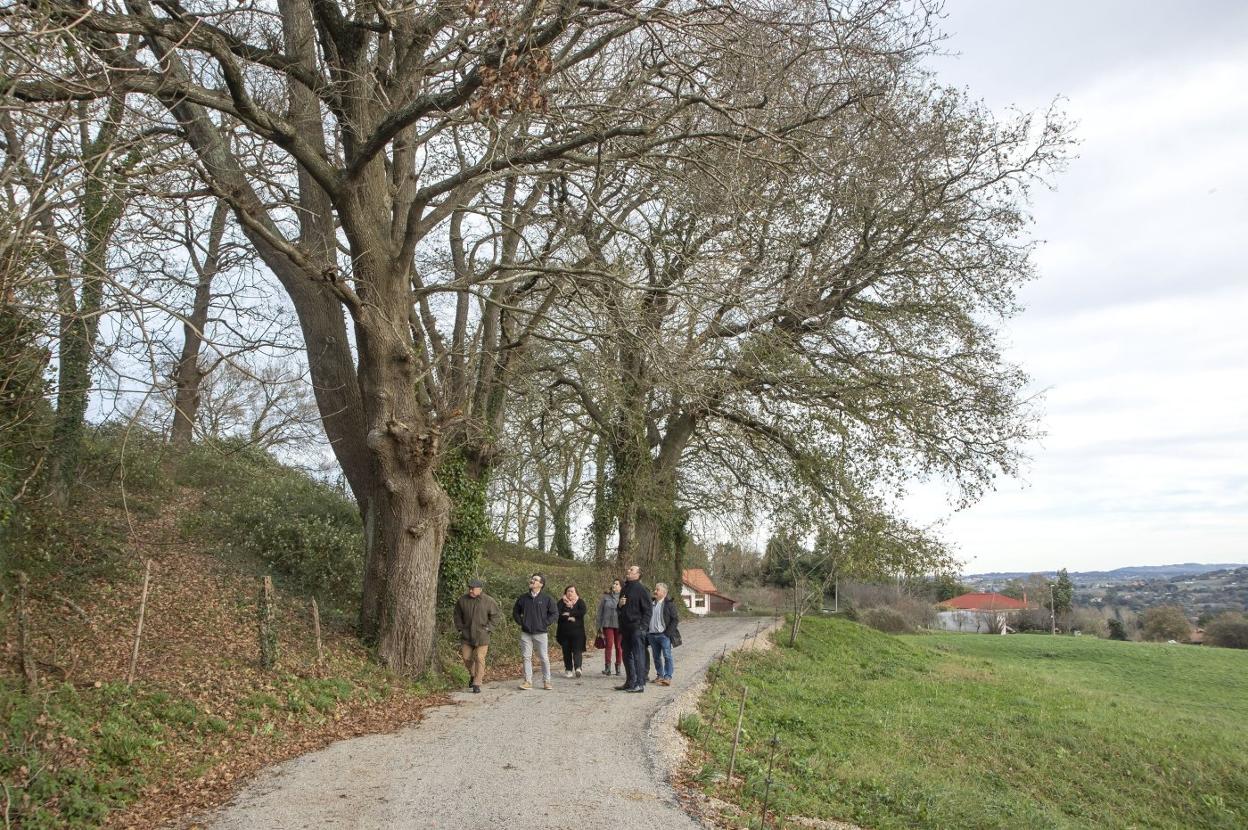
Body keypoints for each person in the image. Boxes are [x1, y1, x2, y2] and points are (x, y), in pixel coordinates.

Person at [453, 577, 500, 693]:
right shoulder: (462, 600)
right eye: (470, 588)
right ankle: (473, 675)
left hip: (482, 635)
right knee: (466, 657)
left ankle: (477, 683)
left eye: (473, 589)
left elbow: (495, 616)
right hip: (466, 635)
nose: (470, 591)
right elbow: (457, 615)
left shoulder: (489, 601)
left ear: (480, 589)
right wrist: (460, 628)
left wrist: (489, 628)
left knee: (480, 657)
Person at [512, 573, 558, 690]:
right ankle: (528, 682)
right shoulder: (523, 598)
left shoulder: (547, 599)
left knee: (544, 657)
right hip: (526, 633)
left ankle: (547, 681)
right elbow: (515, 612)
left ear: (541, 584)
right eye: (532, 579)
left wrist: (545, 623)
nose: (532, 581)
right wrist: (521, 622)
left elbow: (554, 613)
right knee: (526, 657)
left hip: (541, 633)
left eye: (535, 579)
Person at [615, 564, 652, 693]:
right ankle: (630, 681)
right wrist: (619, 605)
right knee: (626, 655)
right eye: (629, 569)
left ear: (638, 574)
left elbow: (648, 610)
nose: (628, 571)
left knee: (638, 655)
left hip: (637, 627)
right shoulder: (624, 588)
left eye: (631, 570)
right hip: (625, 628)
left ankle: (640, 684)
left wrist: (643, 627)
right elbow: (618, 608)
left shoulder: (642, 589)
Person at [647, 582, 680, 686]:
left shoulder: (669, 604)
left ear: (664, 593)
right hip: (652, 635)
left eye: (657, 590)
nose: (655, 591)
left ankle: (667, 677)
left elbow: (675, 619)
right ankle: (660, 675)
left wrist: (667, 633)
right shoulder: (651, 603)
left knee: (667, 656)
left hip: (664, 635)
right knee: (656, 657)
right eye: (655, 589)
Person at [555, 585, 587, 678]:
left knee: (577, 650)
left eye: (572, 591)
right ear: (565, 592)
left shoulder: (580, 602)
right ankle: (568, 669)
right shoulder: (561, 602)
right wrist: (569, 617)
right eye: (568, 591)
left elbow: (582, 612)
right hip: (564, 632)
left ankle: (578, 668)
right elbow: (558, 613)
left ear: (576, 592)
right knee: (566, 651)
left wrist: (569, 613)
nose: (570, 593)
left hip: (578, 632)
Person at [596, 579, 624, 676]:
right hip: (607, 624)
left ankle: (618, 668)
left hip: (619, 625)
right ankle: (607, 668)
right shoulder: (606, 597)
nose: (614, 585)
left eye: (617, 584)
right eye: (614, 583)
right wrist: (599, 626)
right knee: (609, 645)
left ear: (621, 586)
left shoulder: (624, 597)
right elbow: (600, 612)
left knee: (619, 646)